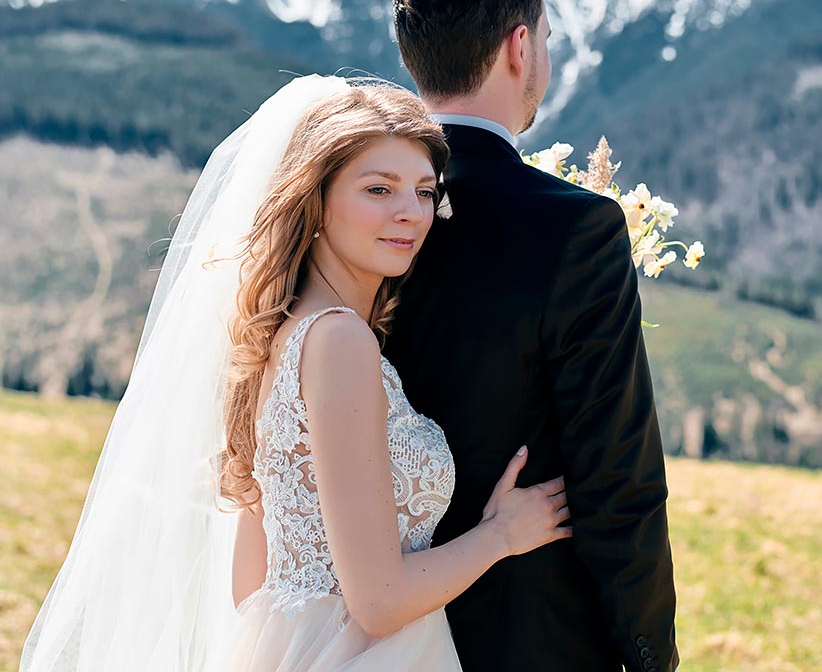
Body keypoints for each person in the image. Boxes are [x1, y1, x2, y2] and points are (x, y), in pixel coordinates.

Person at [19, 78, 572, 672]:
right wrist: (502, 536)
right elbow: (380, 603)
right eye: (378, 189)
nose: (410, 213)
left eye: (423, 191)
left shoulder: (280, 336)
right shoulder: (339, 341)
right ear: (316, 201)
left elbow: (250, 583)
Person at [384, 0, 680, 672]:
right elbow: (619, 482)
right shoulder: (578, 228)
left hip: (364, 631)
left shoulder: (349, 212)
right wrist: (651, 654)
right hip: (535, 641)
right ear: (520, 48)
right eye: (545, 38)